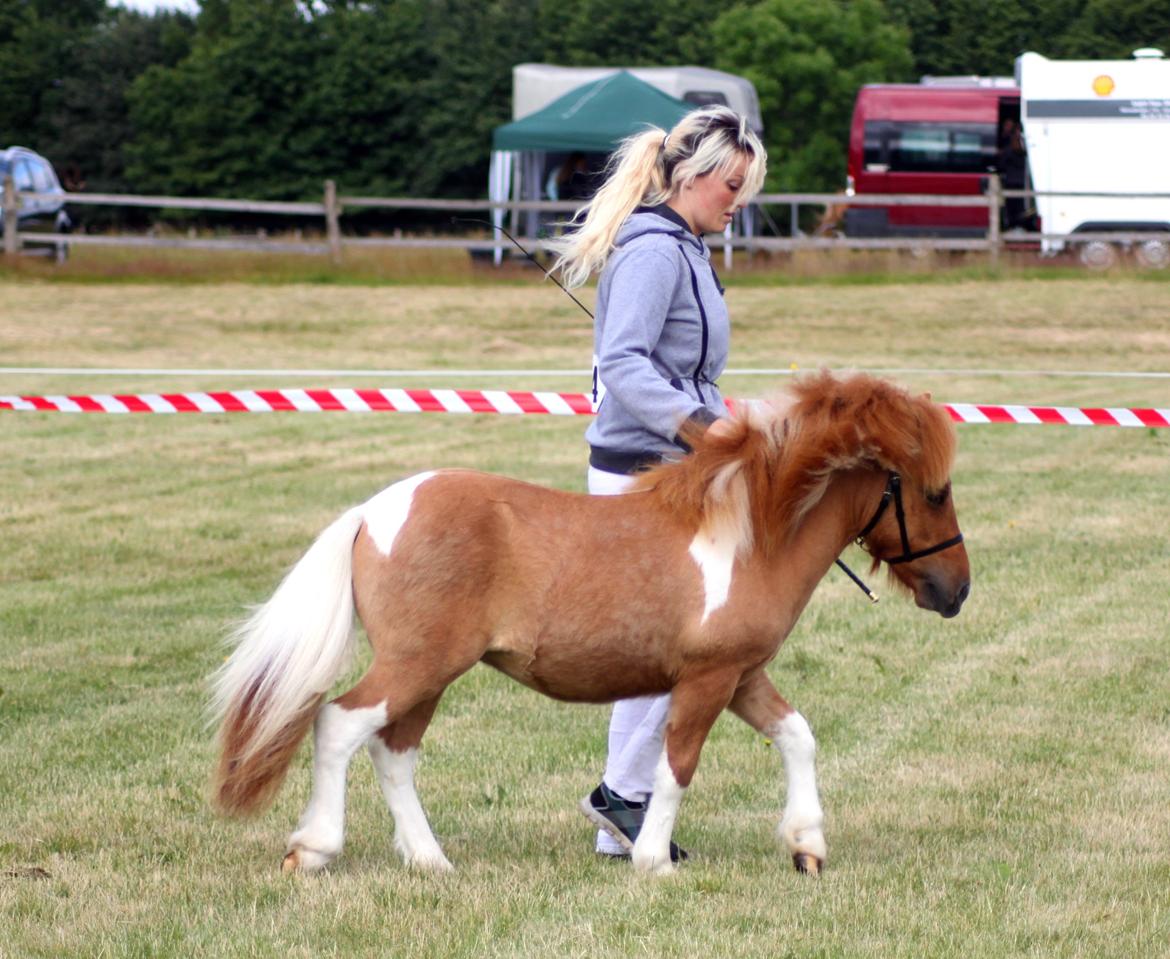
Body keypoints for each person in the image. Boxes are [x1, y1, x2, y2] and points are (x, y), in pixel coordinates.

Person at [548, 105, 767, 861]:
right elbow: (627, 366)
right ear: (692, 177)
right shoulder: (655, 253)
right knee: (680, 642)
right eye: (731, 185)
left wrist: (724, 424)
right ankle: (622, 796)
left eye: (744, 186)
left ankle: (624, 806)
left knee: (669, 642)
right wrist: (700, 429)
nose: (738, 199)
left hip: (678, 465)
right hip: (642, 472)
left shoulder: (689, 248)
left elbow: (689, 369)